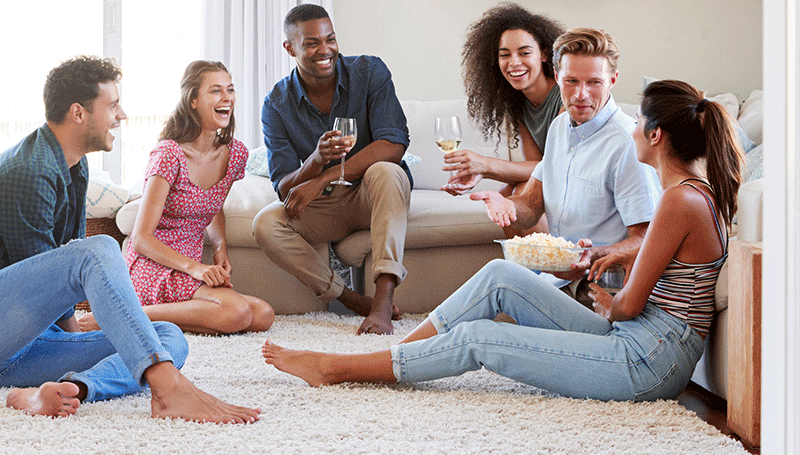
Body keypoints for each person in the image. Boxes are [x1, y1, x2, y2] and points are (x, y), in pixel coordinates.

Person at [262, 78, 745, 402]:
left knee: (480, 339)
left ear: (657, 135)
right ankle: (388, 358)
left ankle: (337, 369)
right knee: (501, 275)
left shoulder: (680, 199)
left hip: (649, 359)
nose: (633, 129)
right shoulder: (686, 193)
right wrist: (605, 264)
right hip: (642, 342)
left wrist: (604, 297)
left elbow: (629, 306)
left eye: (640, 122)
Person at [0, 56, 259, 423]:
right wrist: (74, 329)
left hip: (16, 350)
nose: (122, 115)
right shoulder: (27, 171)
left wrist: (76, 335)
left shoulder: (75, 165)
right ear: (78, 113)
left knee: (165, 339)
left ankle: (71, 390)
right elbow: (45, 275)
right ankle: (168, 389)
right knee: (99, 250)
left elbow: (52, 280)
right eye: (112, 105)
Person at [75, 60, 275, 335]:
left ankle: (149, 318)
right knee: (237, 312)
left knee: (263, 314)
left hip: (190, 267)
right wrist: (196, 269)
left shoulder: (235, 154)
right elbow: (141, 238)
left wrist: (220, 247)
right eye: (215, 91)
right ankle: (123, 316)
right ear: (193, 100)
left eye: (230, 89)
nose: (227, 97)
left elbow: (213, 206)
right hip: (153, 264)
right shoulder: (169, 155)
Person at [255, 3, 412, 335]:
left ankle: (382, 300)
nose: (324, 51)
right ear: (290, 47)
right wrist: (315, 161)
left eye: (330, 39)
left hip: (372, 197)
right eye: (312, 43)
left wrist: (324, 176)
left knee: (387, 171)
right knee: (266, 223)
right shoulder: (276, 103)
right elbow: (284, 186)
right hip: (327, 207)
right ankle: (353, 299)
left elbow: (394, 143)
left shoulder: (370, 73)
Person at [476, 28, 659, 305]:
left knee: (495, 291)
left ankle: (398, 349)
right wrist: (507, 206)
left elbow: (646, 239)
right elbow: (533, 204)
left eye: (594, 82)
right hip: (559, 278)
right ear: (557, 76)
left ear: (613, 79)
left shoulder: (627, 144)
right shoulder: (560, 126)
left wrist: (588, 256)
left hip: (601, 287)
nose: (580, 94)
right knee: (491, 297)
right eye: (571, 81)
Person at [443, 3, 567, 210]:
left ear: (545, 55)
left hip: (576, 181)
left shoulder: (566, 96)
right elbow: (534, 168)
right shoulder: (518, 104)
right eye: (505, 55)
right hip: (553, 181)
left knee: (519, 194)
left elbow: (557, 167)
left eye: (524, 53)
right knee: (507, 194)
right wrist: (481, 172)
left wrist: (486, 164)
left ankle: (554, 244)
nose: (514, 62)